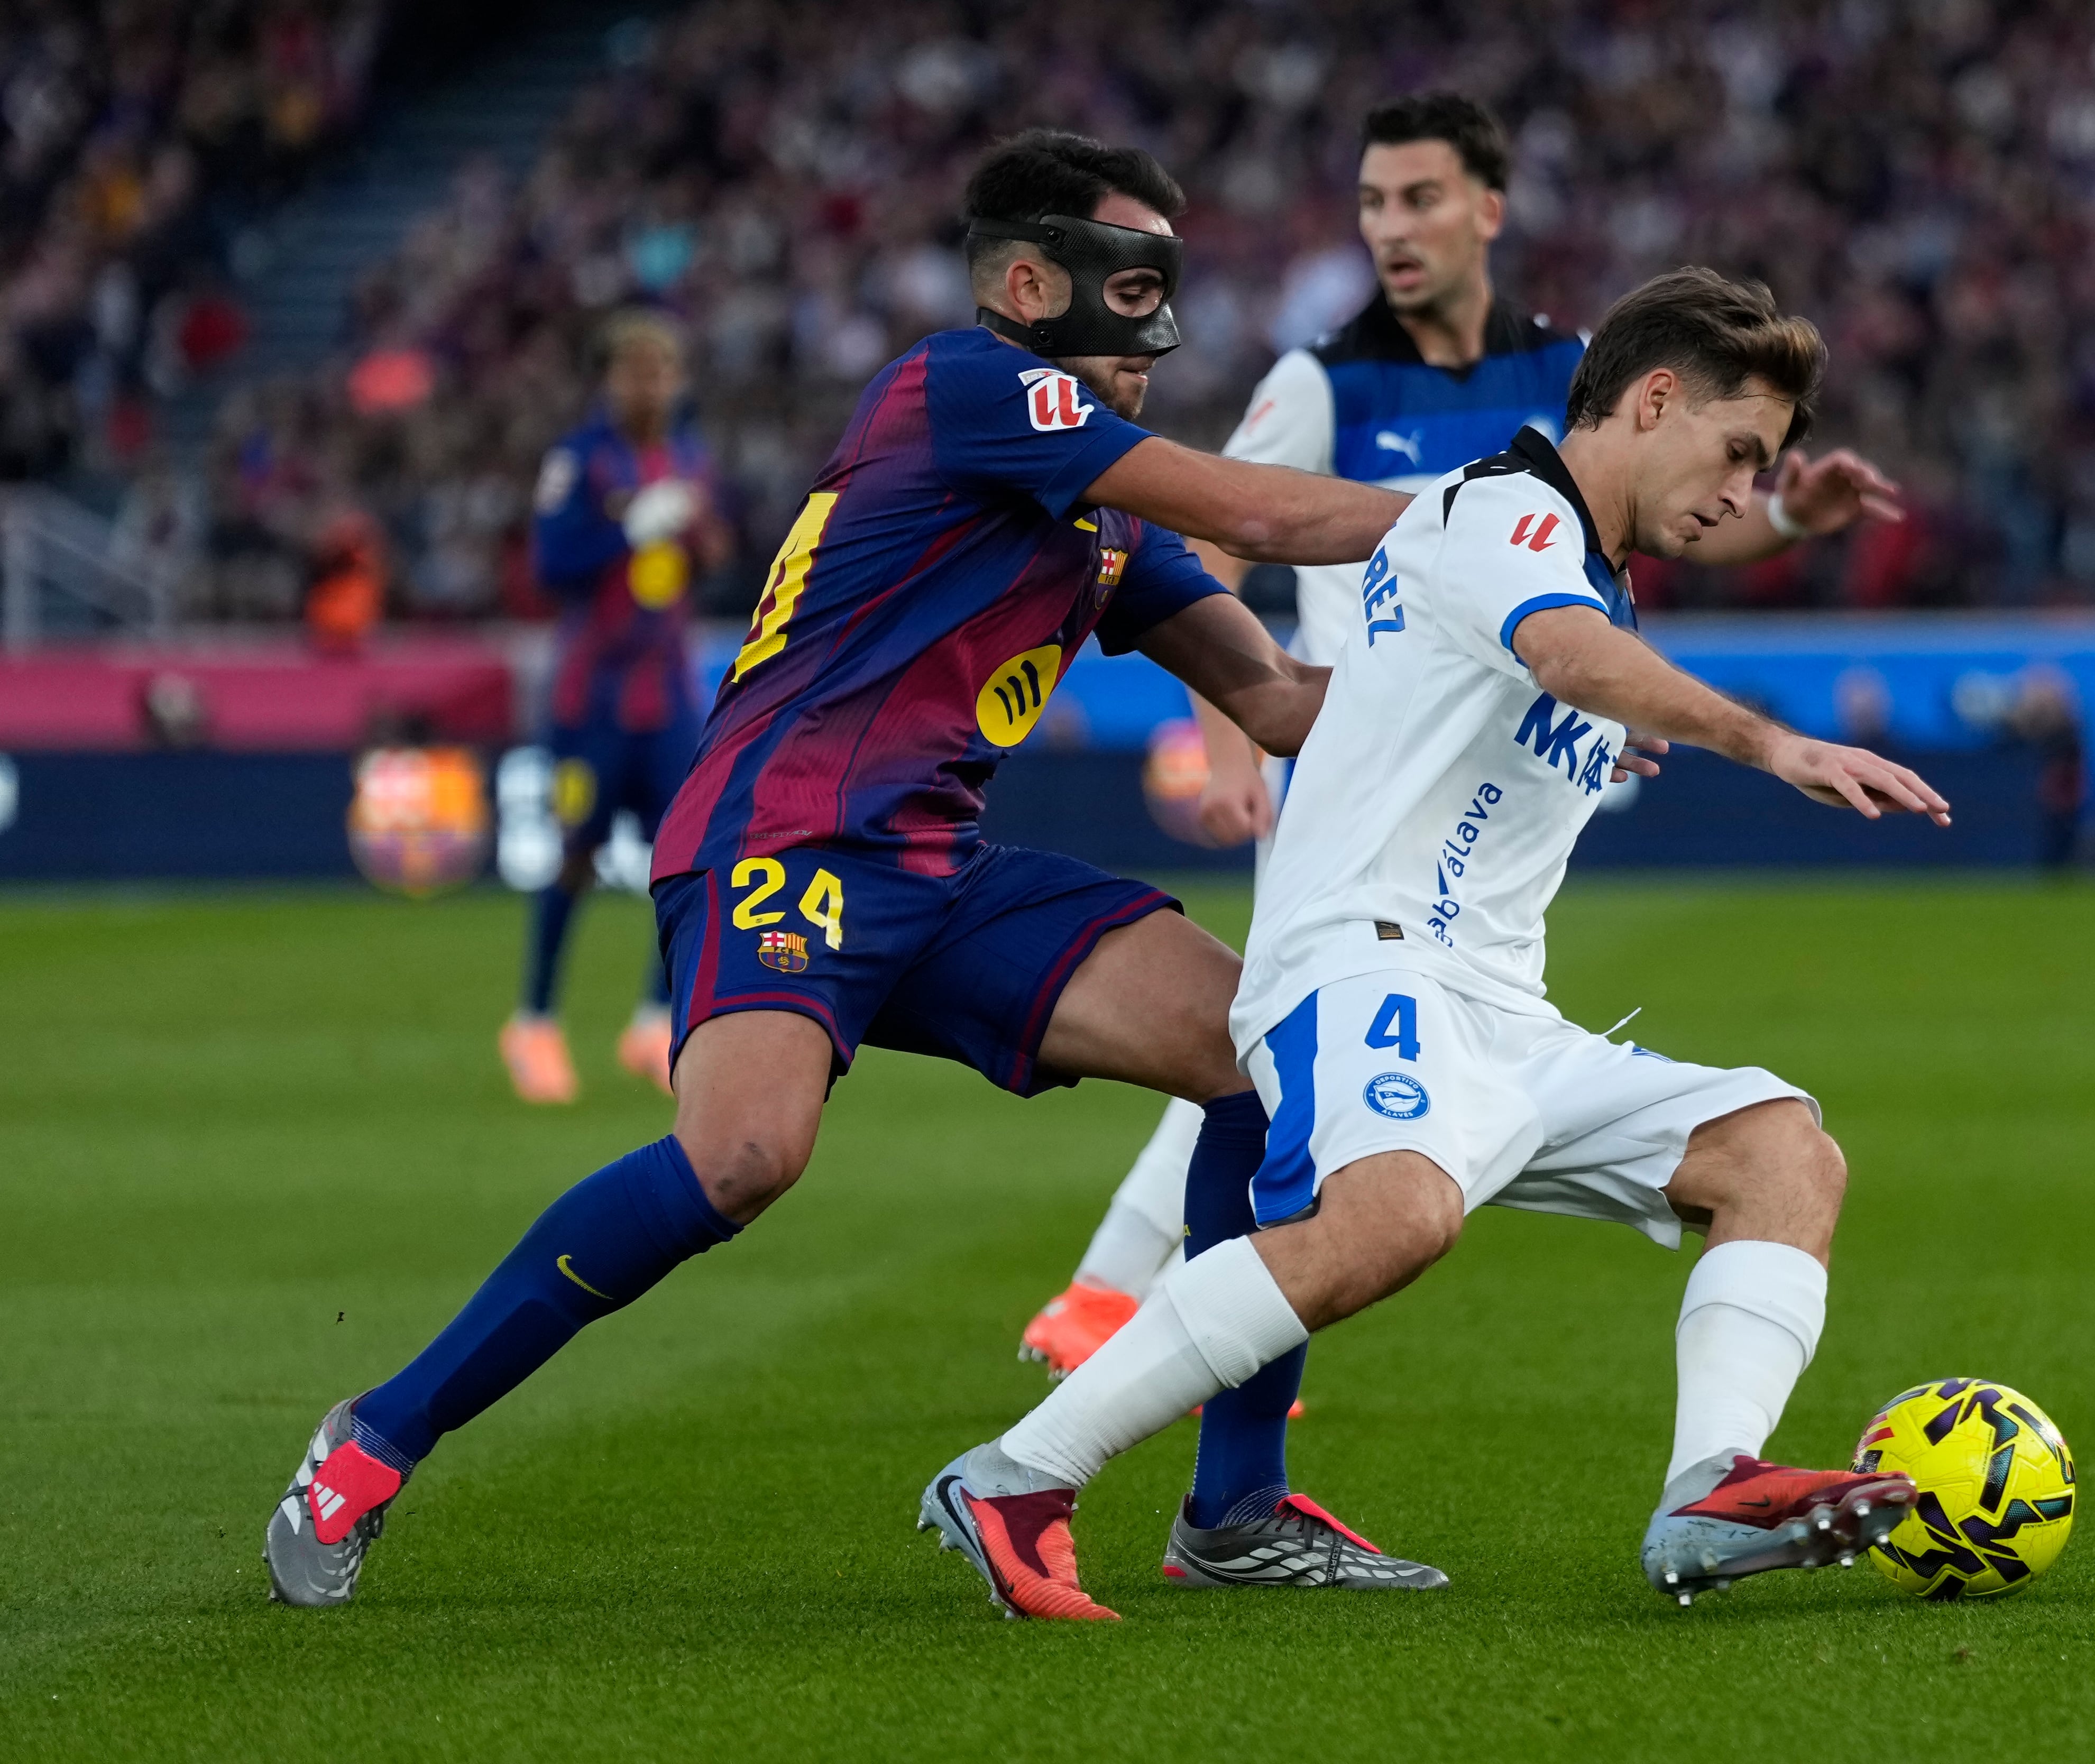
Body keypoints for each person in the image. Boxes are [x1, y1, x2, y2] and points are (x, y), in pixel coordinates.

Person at [262, 130, 1446, 1606]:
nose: (1155, 327)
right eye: (1129, 286)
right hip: (784, 833)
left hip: (938, 866)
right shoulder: (966, 383)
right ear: (1033, 285)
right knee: (743, 1160)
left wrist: (1531, 686)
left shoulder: (1106, 522)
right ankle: (375, 1436)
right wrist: (1496, 517)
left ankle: (1234, 1511)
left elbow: (1275, 699)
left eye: (1164, 291)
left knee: (1263, 1059)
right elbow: (1260, 513)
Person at [925, 267, 1953, 1621]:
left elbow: (1511, 676)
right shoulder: (1503, 506)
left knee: (1781, 1153)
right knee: (1394, 1218)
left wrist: (1574, 726)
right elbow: (1563, 653)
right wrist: (1771, 743)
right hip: (1360, 959)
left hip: (1501, 1010)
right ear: (1654, 402)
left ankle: (1709, 1488)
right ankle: (1016, 1474)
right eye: (1737, 452)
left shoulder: (1586, 568)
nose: (1740, 493)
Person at [500, 313, 730, 1103]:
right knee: (577, 856)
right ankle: (534, 1023)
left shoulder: (691, 459)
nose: (650, 387)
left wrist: (698, 538)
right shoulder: (579, 461)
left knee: (691, 858)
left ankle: (654, 1024)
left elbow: (712, 554)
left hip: (667, 695)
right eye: (635, 371)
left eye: (662, 371)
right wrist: (626, 530)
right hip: (592, 698)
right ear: (608, 379)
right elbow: (550, 566)